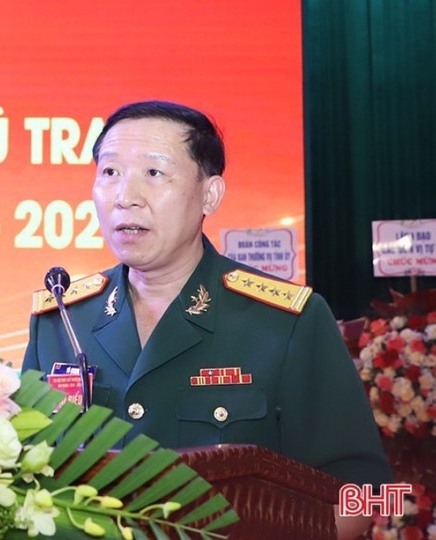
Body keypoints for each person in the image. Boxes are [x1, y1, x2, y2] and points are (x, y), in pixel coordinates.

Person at [21, 100, 393, 539]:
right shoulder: (63, 318)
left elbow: (370, 495)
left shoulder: (287, 321)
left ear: (210, 194)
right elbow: (18, 474)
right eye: (110, 172)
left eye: (154, 173)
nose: (125, 196)